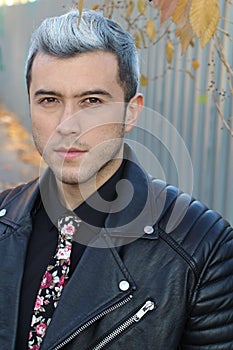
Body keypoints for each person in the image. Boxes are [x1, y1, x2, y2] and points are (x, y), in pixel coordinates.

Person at [0, 8, 233, 350]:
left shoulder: (202, 247)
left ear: (131, 112)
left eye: (91, 101)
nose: (68, 124)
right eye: (49, 100)